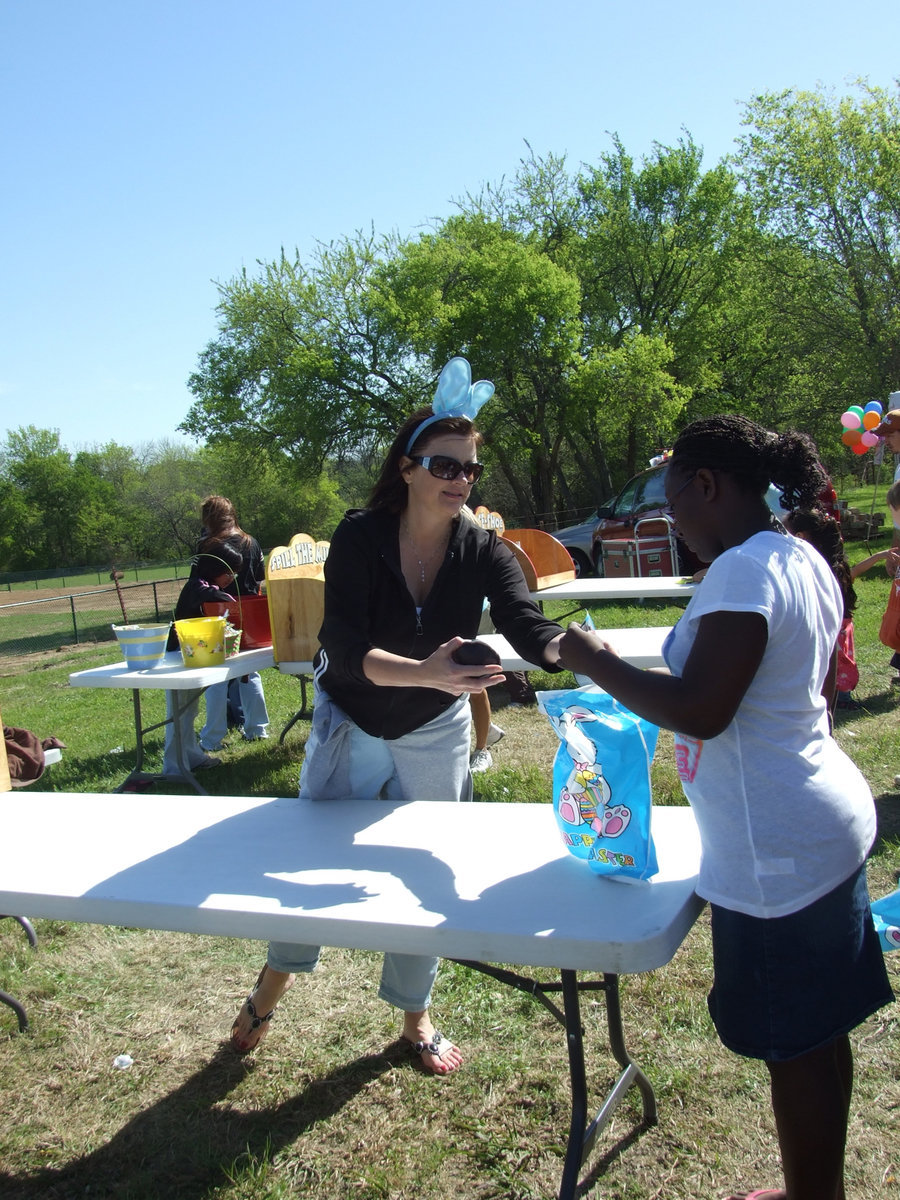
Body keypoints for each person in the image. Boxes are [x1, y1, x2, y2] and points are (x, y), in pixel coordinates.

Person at [558, 415, 893, 1200]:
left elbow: (705, 708)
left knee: (796, 1048)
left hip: (778, 851)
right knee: (817, 1038)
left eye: (675, 503)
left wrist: (592, 658)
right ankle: (817, 1187)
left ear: (707, 485)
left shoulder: (743, 569)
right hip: (819, 825)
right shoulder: (797, 554)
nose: (672, 523)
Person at [229, 357, 565, 1073]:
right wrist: (427, 671)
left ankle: (415, 1021)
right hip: (352, 718)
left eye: (470, 469)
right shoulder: (359, 536)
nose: (459, 480)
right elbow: (341, 649)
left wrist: (575, 650)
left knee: (429, 869)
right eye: (444, 465)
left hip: (434, 727)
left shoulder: (484, 548)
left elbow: (526, 622)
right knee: (315, 863)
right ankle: (270, 986)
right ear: (408, 469)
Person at [162, 540, 244, 777]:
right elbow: (207, 594)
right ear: (215, 568)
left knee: (189, 710)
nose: (231, 578)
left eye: (235, 574)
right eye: (228, 572)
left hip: (194, 655)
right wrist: (226, 597)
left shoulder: (206, 584)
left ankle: (191, 755)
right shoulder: (196, 586)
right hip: (178, 655)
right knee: (178, 712)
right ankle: (174, 766)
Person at [195, 496, 270, 750]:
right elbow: (259, 579)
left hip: (220, 611)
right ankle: (257, 728)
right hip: (250, 613)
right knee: (250, 671)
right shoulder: (252, 542)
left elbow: (201, 584)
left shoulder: (207, 544)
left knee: (216, 675)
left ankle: (212, 738)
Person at [783, 507, 859, 709]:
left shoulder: (808, 570)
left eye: (784, 533)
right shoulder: (833, 563)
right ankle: (841, 697)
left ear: (800, 537)